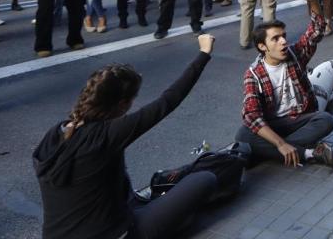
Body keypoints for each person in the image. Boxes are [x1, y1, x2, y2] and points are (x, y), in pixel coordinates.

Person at [33, 33, 218, 239]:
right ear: (122, 104)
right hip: (117, 234)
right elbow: (169, 101)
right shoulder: (108, 134)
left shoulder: (55, 132)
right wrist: (204, 53)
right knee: (205, 179)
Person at [235, 0, 333, 167]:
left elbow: (316, 30)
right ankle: (308, 153)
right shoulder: (254, 74)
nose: (283, 42)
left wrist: (313, 1)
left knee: (325, 120)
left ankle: (270, 151)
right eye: (275, 39)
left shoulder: (294, 55)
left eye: (283, 36)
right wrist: (280, 143)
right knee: (243, 135)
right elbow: (252, 115)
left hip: (299, 118)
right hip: (274, 123)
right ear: (262, 46)